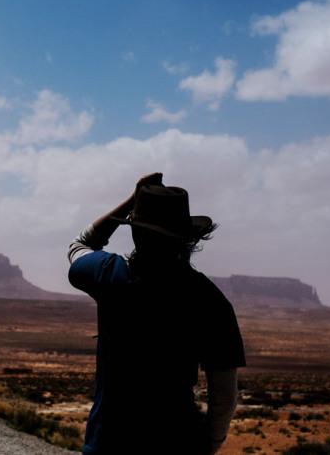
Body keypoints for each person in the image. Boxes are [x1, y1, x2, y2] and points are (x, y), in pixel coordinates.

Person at [67, 173, 245, 455]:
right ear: (187, 239)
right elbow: (224, 394)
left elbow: (80, 246)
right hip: (176, 442)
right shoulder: (209, 299)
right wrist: (208, 445)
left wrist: (131, 200)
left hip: (109, 441)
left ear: (136, 232)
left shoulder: (111, 276)